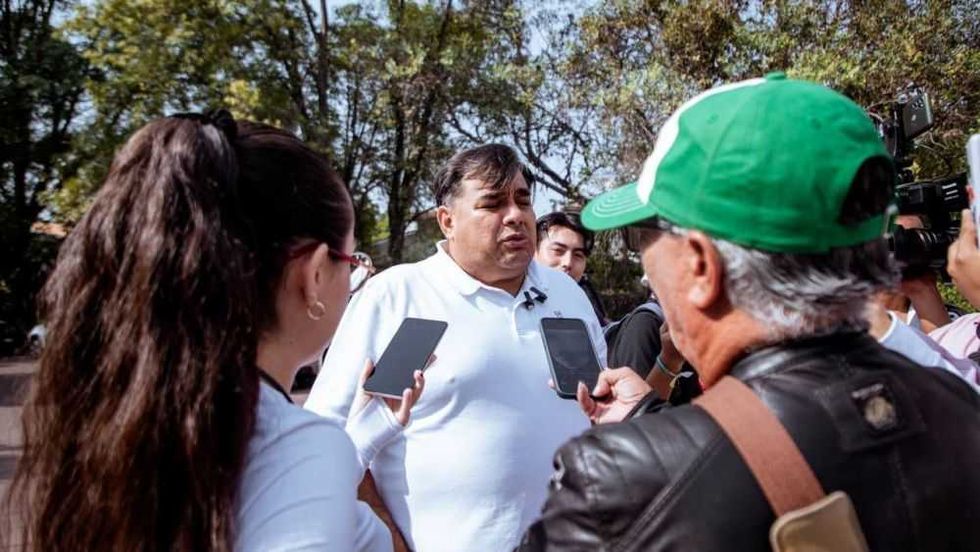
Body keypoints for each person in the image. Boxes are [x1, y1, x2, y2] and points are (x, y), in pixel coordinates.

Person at [517, 74, 980, 550]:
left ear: (700, 267)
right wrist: (649, 421)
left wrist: (646, 452)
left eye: (642, 238)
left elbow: (703, 477)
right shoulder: (958, 400)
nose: (645, 264)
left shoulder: (611, 482)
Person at [5, 111, 423, 551]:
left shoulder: (123, 422)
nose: (354, 277)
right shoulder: (297, 449)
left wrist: (355, 448)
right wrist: (329, 454)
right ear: (315, 274)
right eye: (353, 261)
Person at [305, 144, 606, 551]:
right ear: (447, 221)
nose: (516, 215)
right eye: (493, 204)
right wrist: (387, 538)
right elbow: (327, 440)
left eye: (522, 200)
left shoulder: (567, 294)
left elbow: (599, 415)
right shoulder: (398, 296)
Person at [535, 211, 609, 323]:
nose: (568, 263)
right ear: (533, 251)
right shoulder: (507, 300)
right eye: (558, 251)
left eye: (578, 255)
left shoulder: (588, 309)